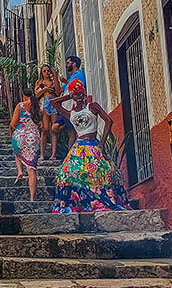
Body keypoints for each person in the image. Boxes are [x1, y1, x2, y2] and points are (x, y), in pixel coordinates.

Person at [50, 79, 130, 213]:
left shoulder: (92, 106)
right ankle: (77, 203)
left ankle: (101, 201)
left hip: (93, 145)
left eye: (80, 93)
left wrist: (103, 144)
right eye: (76, 94)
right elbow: (53, 103)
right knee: (64, 174)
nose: (79, 96)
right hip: (78, 147)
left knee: (103, 173)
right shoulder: (71, 113)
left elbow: (109, 121)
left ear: (84, 93)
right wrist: (69, 94)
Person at [9, 88, 41, 201]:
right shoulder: (38, 107)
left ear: (23, 96)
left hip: (21, 135)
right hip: (34, 138)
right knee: (32, 168)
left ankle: (20, 171)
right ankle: (32, 198)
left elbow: (13, 124)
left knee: (17, 150)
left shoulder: (20, 106)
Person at [35, 65, 58, 160]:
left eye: (48, 70)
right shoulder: (39, 82)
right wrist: (45, 89)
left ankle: (53, 154)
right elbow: (36, 94)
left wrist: (55, 78)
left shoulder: (53, 81)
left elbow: (58, 91)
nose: (47, 72)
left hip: (53, 102)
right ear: (42, 73)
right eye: (44, 71)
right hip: (45, 103)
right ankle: (42, 155)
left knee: (53, 130)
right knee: (45, 129)